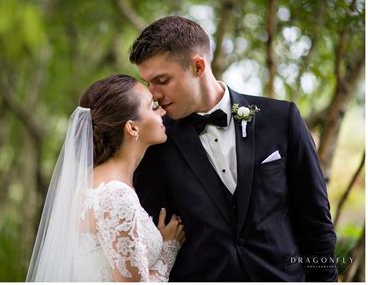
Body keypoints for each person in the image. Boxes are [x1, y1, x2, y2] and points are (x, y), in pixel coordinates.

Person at [129, 16, 338, 281]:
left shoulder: (281, 118)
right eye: (148, 83)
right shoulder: (157, 143)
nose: (153, 93)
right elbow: (155, 238)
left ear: (197, 66)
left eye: (162, 80)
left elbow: (316, 221)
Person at [26, 74, 185, 282]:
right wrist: (168, 250)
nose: (162, 111)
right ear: (132, 127)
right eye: (153, 107)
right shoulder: (116, 195)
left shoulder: (93, 184)